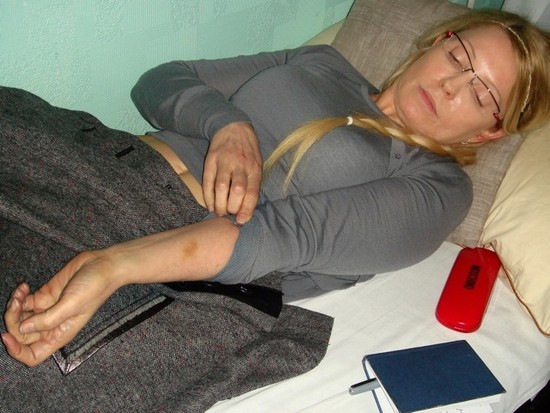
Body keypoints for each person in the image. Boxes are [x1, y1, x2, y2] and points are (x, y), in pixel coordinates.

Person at [3, 9, 550, 367]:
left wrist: (112, 265)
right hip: (99, 156)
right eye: (458, 57)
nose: (451, 86)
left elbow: (282, 236)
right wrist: (227, 125)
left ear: (488, 132)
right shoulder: (322, 61)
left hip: (161, 246)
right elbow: (160, 82)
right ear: (437, 42)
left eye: (482, 94)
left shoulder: (440, 188)